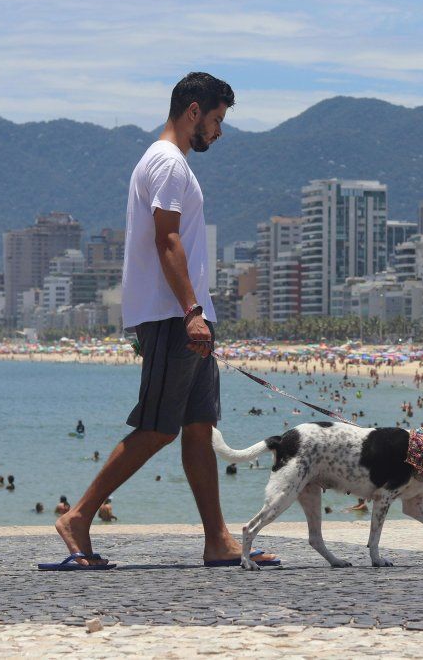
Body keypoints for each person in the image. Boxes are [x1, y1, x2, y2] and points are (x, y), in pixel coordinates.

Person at [51, 74, 277, 569]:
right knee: (158, 427)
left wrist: (198, 314)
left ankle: (217, 540)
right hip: (174, 315)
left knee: (198, 427)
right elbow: (167, 240)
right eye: (216, 120)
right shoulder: (168, 163)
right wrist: (192, 312)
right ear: (193, 111)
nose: (219, 131)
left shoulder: (166, 164)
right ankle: (79, 516)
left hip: (187, 315)